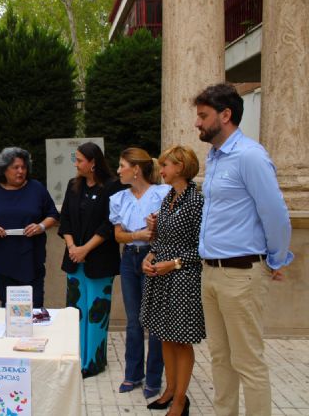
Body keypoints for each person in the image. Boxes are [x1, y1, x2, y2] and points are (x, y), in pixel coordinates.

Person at [193, 83, 293, 416]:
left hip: (241, 275)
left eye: (203, 116)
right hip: (211, 272)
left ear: (226, 115)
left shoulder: (250, 156)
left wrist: (276, 259)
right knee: (220, 359)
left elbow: (276, 213)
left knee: (248, 362)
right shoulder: (214, 157)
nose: (197, 123)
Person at [140, 146, 205, 416]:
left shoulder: (197, 201)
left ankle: (180, 400)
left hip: (184, 278)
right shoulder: (168, 198)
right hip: (162, 275)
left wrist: (174, 263)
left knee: (182, 340)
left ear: (180, 167)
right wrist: (151, 254)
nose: (161, 170)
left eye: (165, 165)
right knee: (165, 336)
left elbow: (203, 247)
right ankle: (169, 390)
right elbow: (163, 240)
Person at [58, 142, 125, 378]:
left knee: (96, 313)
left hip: (99, 261)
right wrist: (73, 247)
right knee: (76, 311)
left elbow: (109, 224)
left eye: (79, 160)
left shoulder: (112, 187)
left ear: (93, 162)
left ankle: (94, 363)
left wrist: (85, 249)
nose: (75, 164)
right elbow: (64, 218)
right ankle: (76, 358)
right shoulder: (73, 186)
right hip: (74, 260)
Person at [109, 147, 169, 398]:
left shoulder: (162, 193)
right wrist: (137, 234)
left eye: (122, 165)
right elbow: (118, 235)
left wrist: (153, 234)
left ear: (136, 169)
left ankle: (154, 379)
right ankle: (133, 374)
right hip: (129, 259)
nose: (118, 170)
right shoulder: (118, 198)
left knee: (154, 321)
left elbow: (169, 231)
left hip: (153, 257)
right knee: (134, 321)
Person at [0, 147, 59, 308]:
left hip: (31, 256)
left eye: (24, 167)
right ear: (3, 169)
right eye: (15, 167)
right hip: (2, 257)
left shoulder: (36, 188)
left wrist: (40, 226)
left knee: (34, 305)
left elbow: (53, 214)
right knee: (9, 306)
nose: (21, 171)